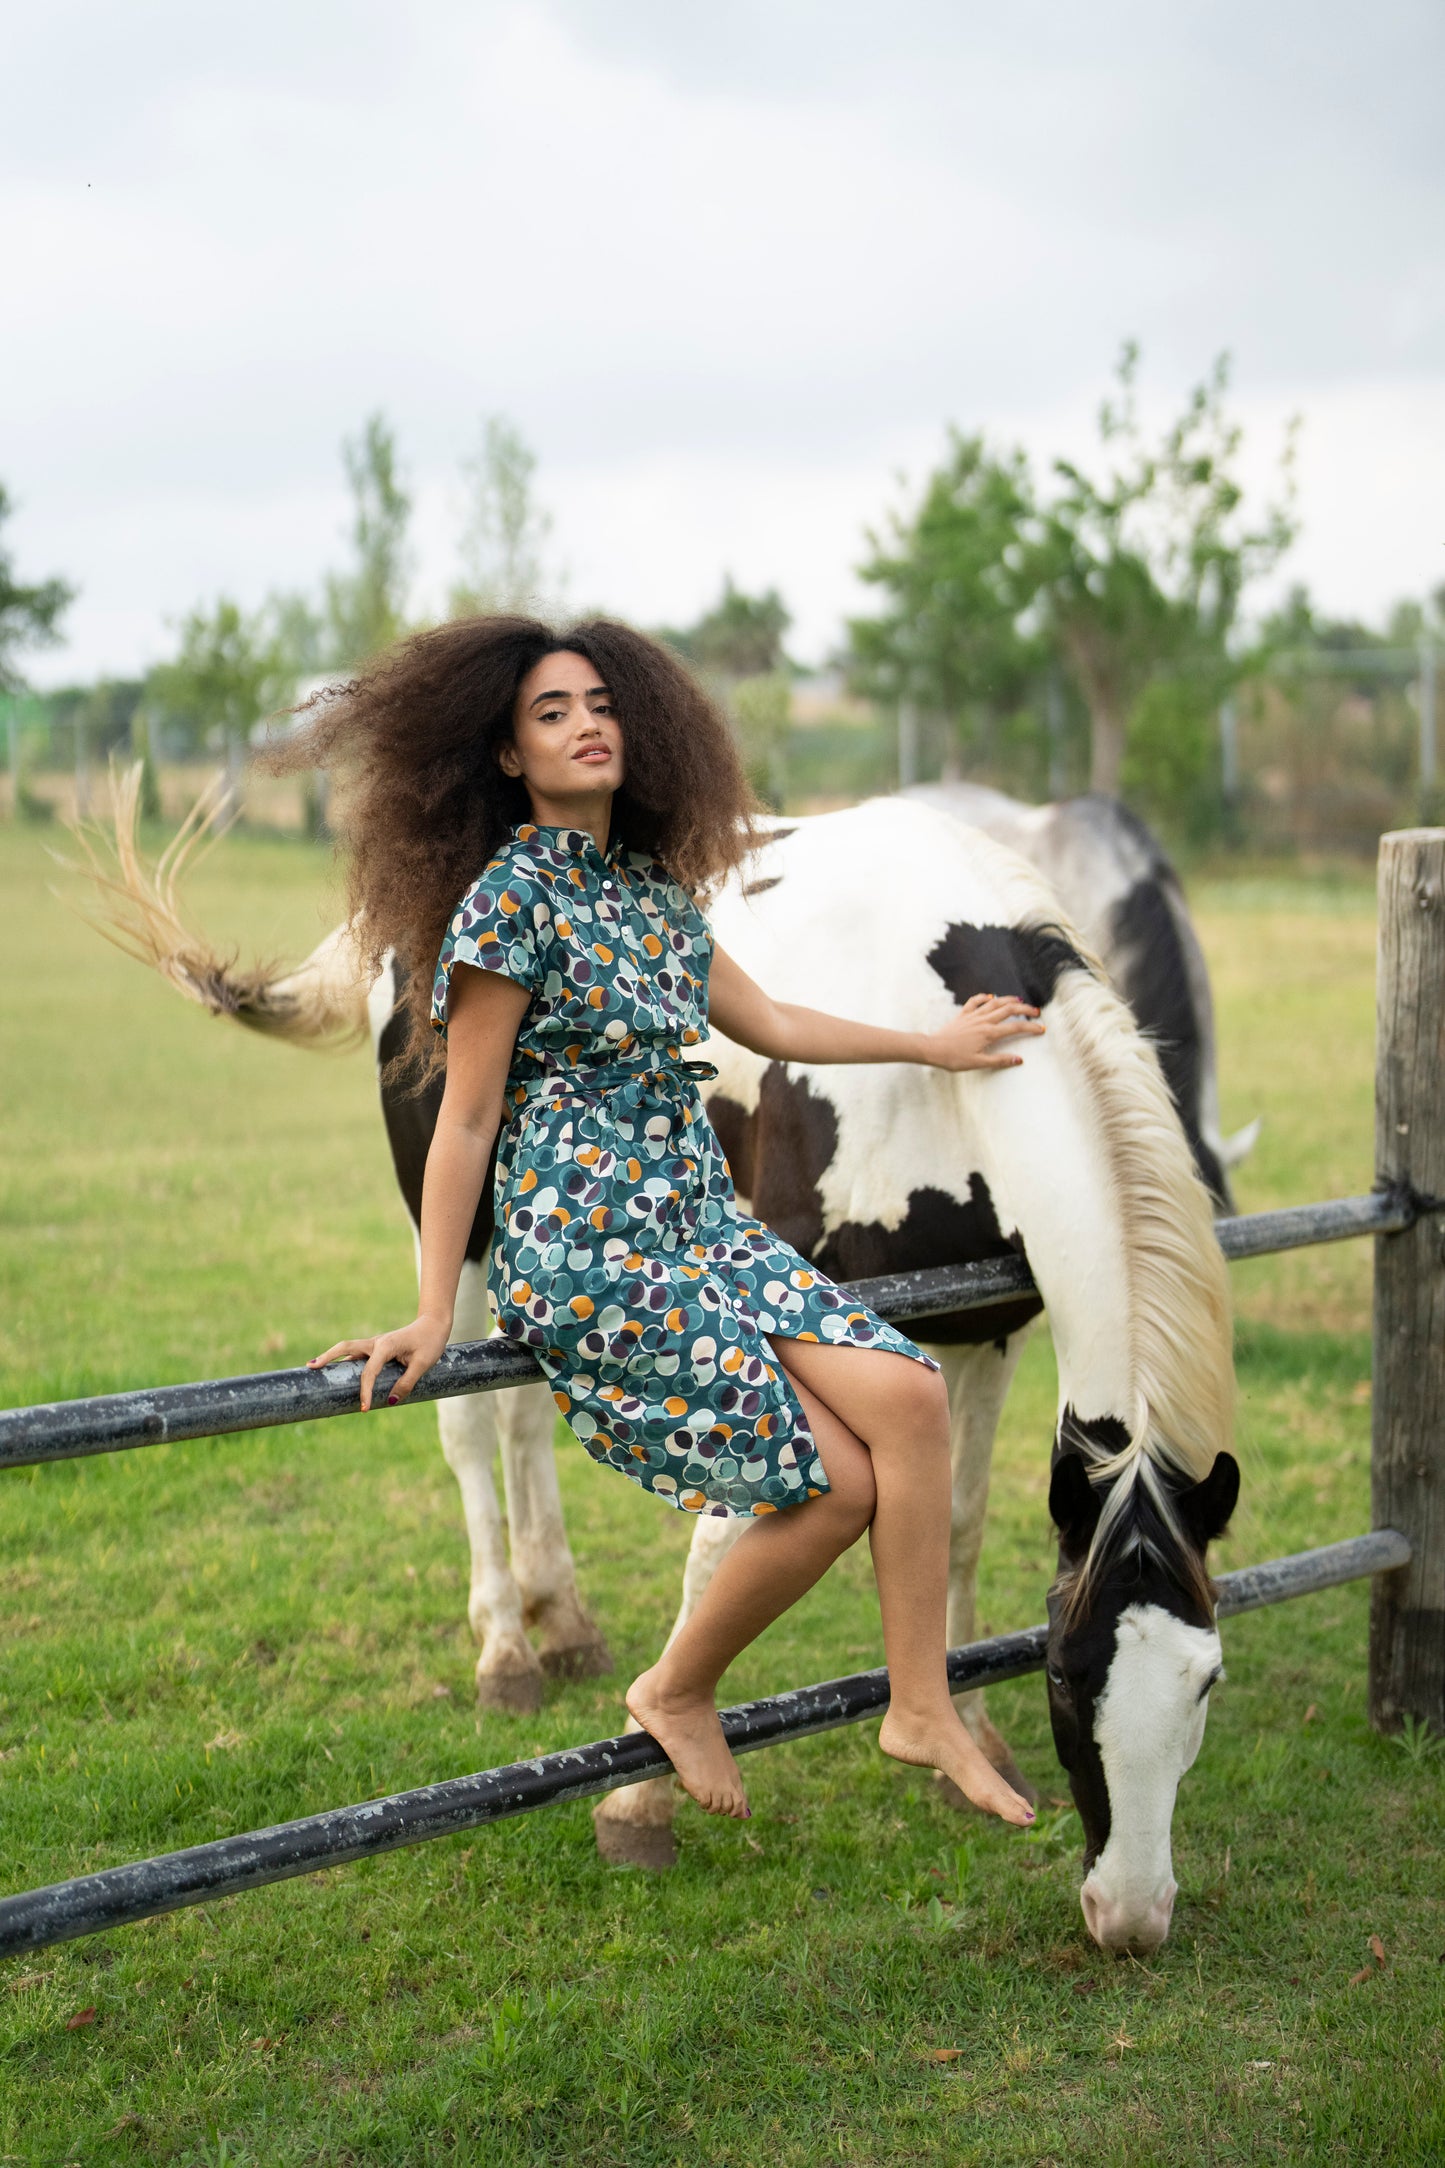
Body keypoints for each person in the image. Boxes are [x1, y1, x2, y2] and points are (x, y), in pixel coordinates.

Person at [292, 617, 1043, 1828]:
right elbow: (468, 1115)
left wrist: (930, 1040)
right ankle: (676, 1687)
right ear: (503, 757)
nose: (587, 724)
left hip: (698, 1217)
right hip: (587, 1244)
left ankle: (918, 1704)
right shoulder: (507, 903)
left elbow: (776, 1023)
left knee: (904, 1402)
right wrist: (438, 1303)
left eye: (600, 702)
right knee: (830, 1485)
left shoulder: (650, 891)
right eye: (551, 712)